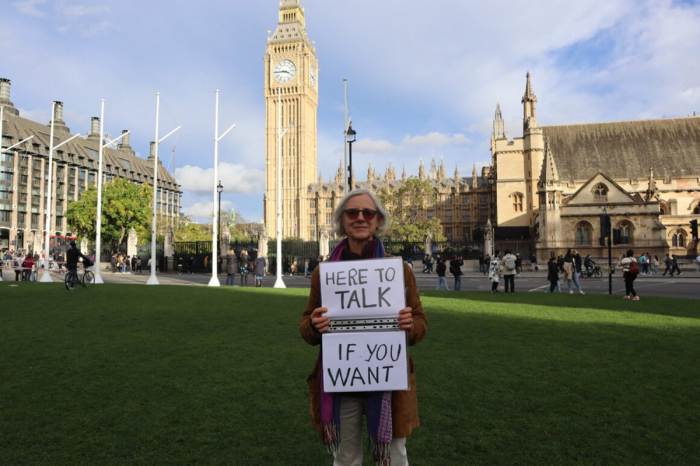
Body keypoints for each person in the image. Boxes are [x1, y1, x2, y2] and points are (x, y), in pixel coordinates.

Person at [300, 189, 426, 466]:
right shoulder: (325, 273)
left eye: (367, 213)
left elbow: (420, 322)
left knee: (395, 456)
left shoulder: (399, 270)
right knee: (346, 459)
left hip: (388, 379)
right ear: (341, 220)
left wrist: (410, 325)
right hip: (341, 381)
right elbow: (306, 324)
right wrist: (313, 324)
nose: (360, 218)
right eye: (352, 212)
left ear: (378, 220)